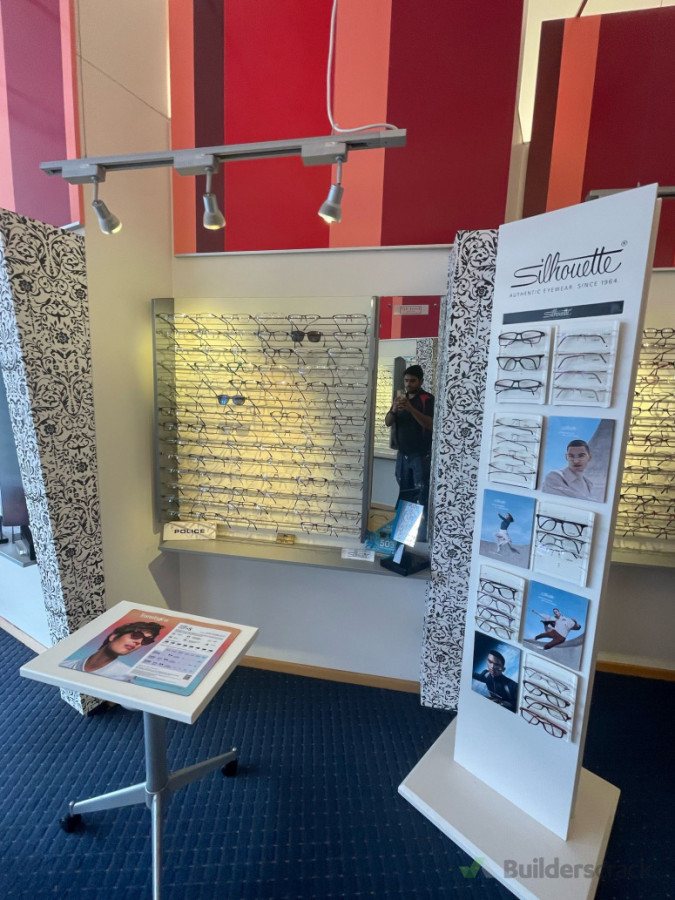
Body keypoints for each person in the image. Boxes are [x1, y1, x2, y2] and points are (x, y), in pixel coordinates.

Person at [384, 365, 434, 541]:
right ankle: (403, 536)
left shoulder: (427, 399)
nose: (408, 384)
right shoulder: (400, 399)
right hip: (402, 455)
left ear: (421, 381)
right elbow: (388, 422)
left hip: (420, 456)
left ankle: (420, 538)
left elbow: (430, 424)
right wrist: (394, 409)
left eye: (412, 381)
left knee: (420, 495)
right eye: (406, 381)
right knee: (404, 493)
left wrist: (411, 409)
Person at [61, 621, 162, 682]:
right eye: (136, 635)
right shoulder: (65, 665)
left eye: (146, 641)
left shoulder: (127, 675)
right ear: (113, 637)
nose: (138, 642)